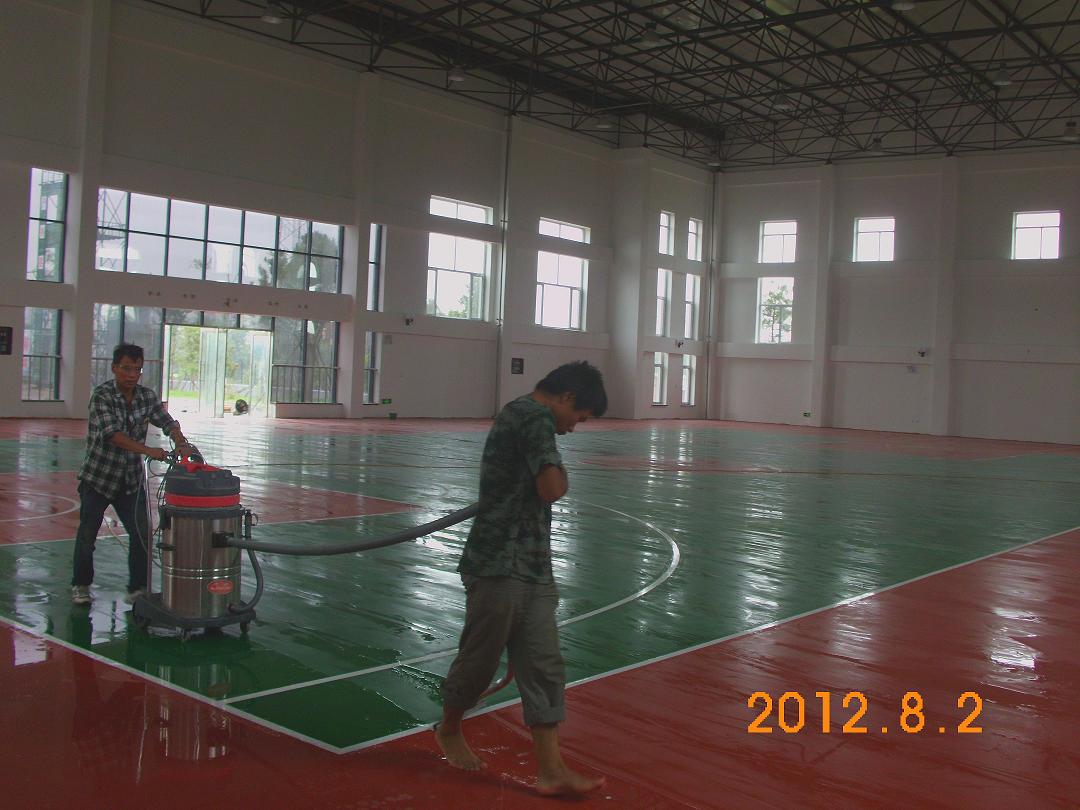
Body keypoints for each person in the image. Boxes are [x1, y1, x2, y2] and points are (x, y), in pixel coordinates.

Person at [436, 360, 608, 797]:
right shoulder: (534, 418)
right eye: (579, 416)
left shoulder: (524, 415)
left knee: (544, 665)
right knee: (480, 661)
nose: (573, 428)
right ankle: (449, 727)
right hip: (498, 562)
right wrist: (563, 475)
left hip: (531, 564)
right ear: (566, 397)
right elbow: (552, 488)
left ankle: (552, 770)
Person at [71, 343, 188, 605]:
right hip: (98, 479)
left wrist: (179, 438)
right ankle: (81, 585)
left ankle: (138, 588)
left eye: (137, 369)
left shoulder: (146, 397)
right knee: (87, 536)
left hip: (130, 482)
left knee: (142, 534)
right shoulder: (102, 396)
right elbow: (112, 435)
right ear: (114, 368)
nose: (132, 375)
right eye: (126, 368)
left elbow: (166, 420)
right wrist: (148, 450)